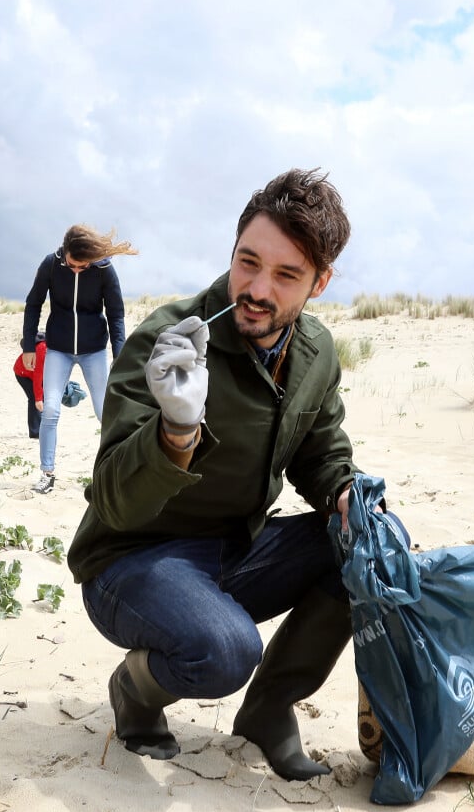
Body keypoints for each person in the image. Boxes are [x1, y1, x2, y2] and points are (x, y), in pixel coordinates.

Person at [68, 168, 366, 781]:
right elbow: (115, 502)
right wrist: (175, 431)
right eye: (247, 262)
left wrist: (344, 490)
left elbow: (320, 449)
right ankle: (136, 689)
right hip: (133, 562)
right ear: (232, 252)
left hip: (235, 553)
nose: (257, 289)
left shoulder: (316, 352)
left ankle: (269, 709)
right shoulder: (168, 341)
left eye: (286, 275)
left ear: (320, 281)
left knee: (360, 540)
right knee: (227, 650)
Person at [21, 225, 138, 494]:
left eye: (83, 267)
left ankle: (114, 472)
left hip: (94, 350)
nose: (77, 270)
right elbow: (33, 303)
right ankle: (47, 474)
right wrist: (29, 346)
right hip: (58, 349)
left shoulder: (104, 270)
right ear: (66, 254)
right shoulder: (51, 265)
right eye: (73, 265)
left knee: (106, 413)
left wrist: (119, 354)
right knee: (50, 409)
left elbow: (116, 314)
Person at [13, 331, 47, 438]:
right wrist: (38, 398)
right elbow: (38, 375)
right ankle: (35, 432)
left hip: (35, 372)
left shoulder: (58, 349)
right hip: (23, 373)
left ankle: (44, 428)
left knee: (43, 397)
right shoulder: (43, 349)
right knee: (34, 398)